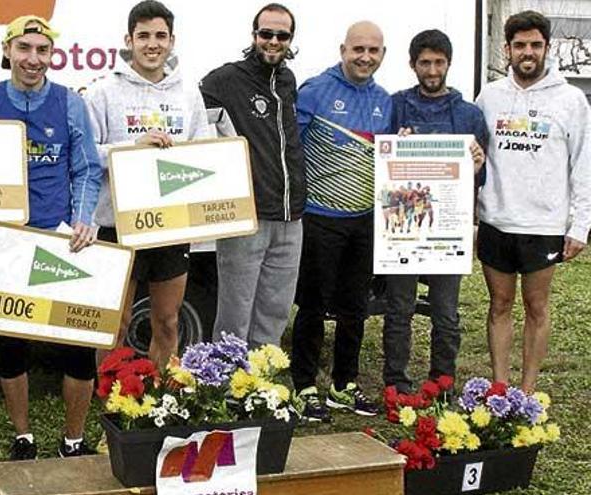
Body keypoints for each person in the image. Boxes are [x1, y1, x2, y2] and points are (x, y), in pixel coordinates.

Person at [0, 15, 102, 459]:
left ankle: (73, 439)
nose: (33, 59)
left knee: (79, 349)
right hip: (7, 241)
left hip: (62, 240)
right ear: (8, 50)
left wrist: (83, 218)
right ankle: (23, 435)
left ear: (52, 55)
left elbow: (86, 168)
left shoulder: (68, 102)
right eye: (24, 48)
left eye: (42, 50)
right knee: (12, 348)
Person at [84, 0, 210, 370]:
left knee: (168, 322)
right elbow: (87, 155)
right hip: (117, 224)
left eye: (160, 36)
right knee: (115, 323)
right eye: (143, 36)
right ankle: (110, 398)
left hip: (171, 224)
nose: (152, 44)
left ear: (172, 41)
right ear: (129, 40)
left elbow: (205, 154)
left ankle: (157, 401)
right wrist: (130, 149)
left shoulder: (188, 93)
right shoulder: (103, 92)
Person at [476, 11, 590, 393]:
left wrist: (580, 225)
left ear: (547, 47)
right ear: (507, 49)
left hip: (544, 226)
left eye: (535, 45)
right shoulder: (489, 96)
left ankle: (526, 393)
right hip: (496, 221)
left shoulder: (571, 100)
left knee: (537, 308)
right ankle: (500, 389)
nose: (528, 52)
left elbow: (584, 165)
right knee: (499, 306)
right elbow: (473, 156)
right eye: (520, 45)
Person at [290, 21, 391, 421]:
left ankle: (343, 385)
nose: (365, 57)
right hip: (319, 218)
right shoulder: (315, 90)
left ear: (383, 54)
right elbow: (290, 151)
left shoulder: (385, 99)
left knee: (355, 308)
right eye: (358, 49)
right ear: (343, 49)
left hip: (365, 220)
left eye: (373, 51)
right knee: (312, 307)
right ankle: (304, 385)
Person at [383, 29, 488, 394]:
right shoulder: (394, 106)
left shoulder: (469, 115)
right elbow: (379, 158)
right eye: (424, 62)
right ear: (413, 65)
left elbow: (483, 175)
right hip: (402, 226)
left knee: (446, 313)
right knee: (399, 310)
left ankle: (441, 383)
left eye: (438, 62)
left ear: (448, 64)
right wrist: (395, 147)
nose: (431, 69)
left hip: (447, 227)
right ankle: (396, 383)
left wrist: (478, 163)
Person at [198, 3, 306, 349]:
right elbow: (192, 124)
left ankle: (258, 391)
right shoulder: (225, 80)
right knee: (235, 315)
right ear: (254, 36)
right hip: (247, 219)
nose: (273, 41)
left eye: (282, 35)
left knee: (274, 314)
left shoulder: (288, 81)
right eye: (266, 34)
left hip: (291, 218)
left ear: (290, 40)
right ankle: (225, 391)